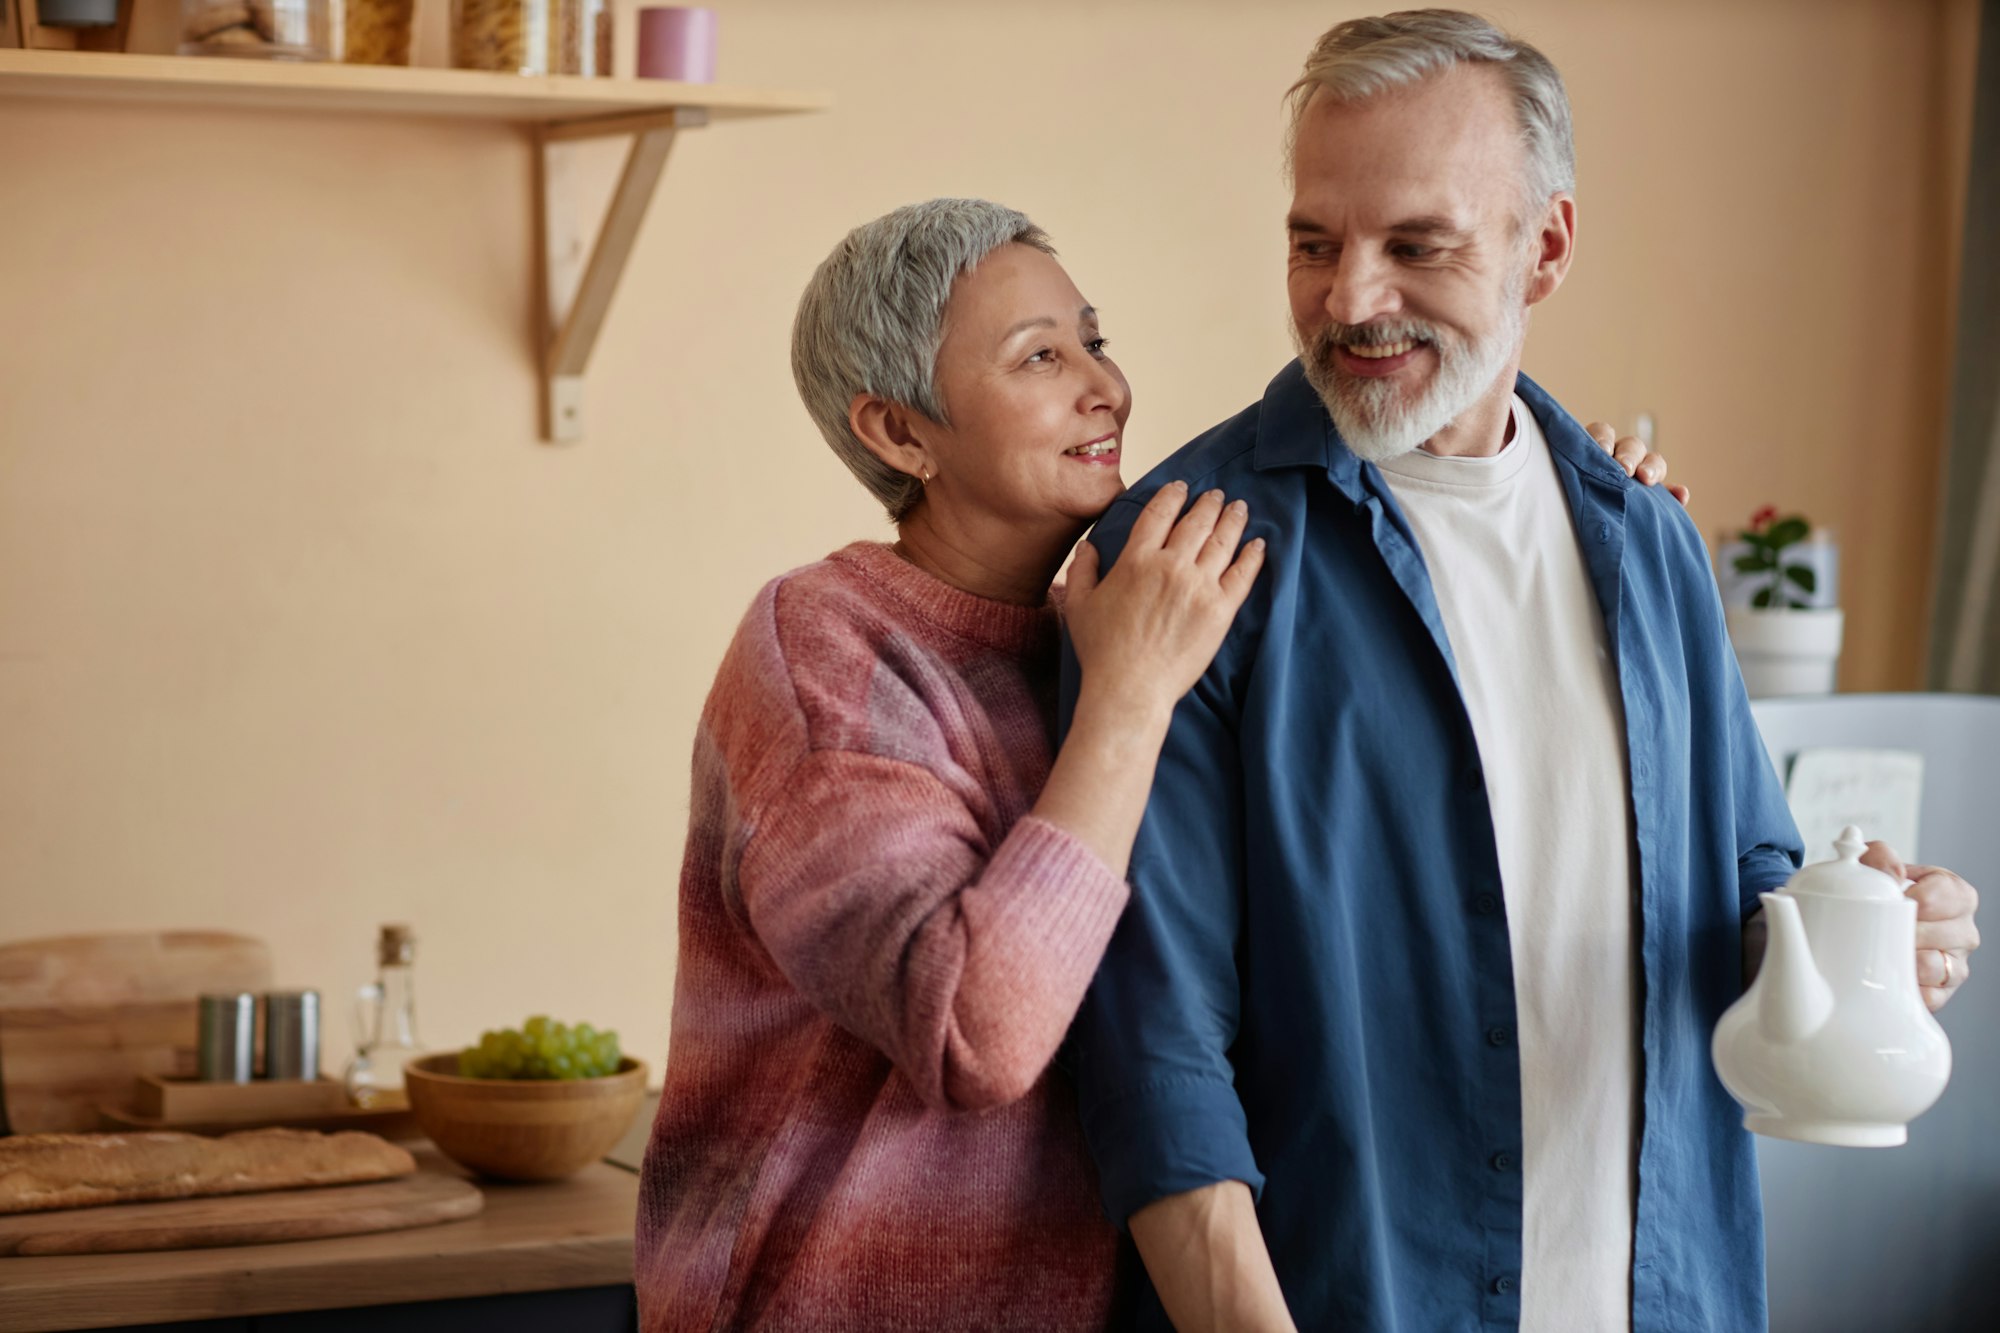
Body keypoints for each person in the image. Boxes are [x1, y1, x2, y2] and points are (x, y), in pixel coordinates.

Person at [1058, 12, 1982, 1333]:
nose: (1349, 297)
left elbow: (1741, 893)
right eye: (1314, 242)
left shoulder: (1647, 538)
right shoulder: (1186, 559)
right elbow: (1152, 1052)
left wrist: (1870, 934)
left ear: (1544, 247)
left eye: (1414, 245)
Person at [635, 198, 1683, 1331]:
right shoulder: (826, 652)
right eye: (1040, 356)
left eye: (1094, 337)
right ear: (898, 434)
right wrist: (1128, 699)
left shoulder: (1117, 613)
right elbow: (971, 1031)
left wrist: (1557, 497)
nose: (1103, 387)